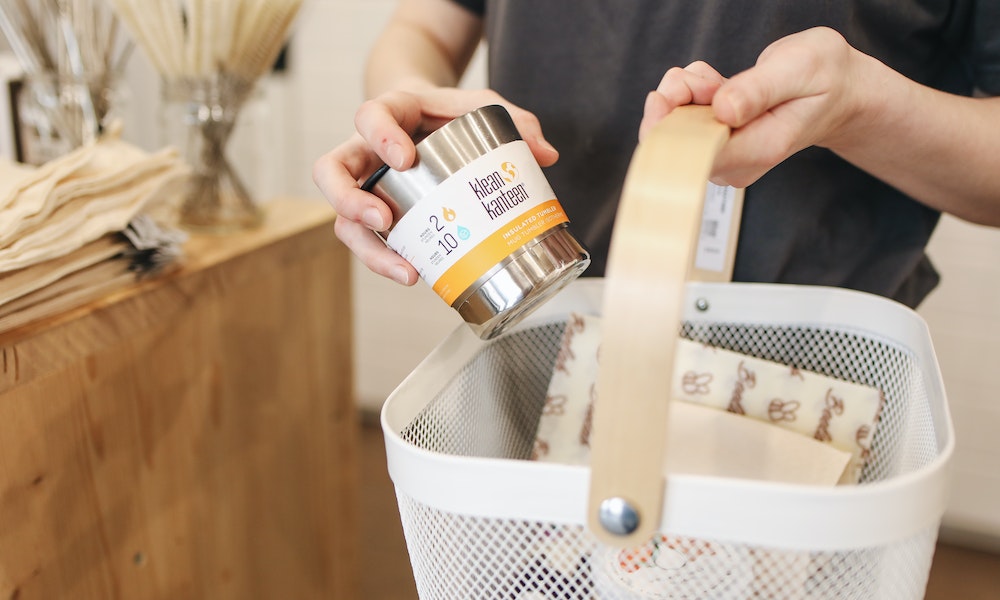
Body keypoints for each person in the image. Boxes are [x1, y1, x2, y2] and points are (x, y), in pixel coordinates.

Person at [312, 0, 1000, 308]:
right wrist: (410, 134)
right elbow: (425, 26)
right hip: (535, 343)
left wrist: (857, 105)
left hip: (808, 385)